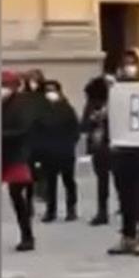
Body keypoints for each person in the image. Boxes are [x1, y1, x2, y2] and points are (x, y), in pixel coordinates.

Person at [107, 48, 139, 255]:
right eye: (126, 62)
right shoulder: (116, 88)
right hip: (120, 149)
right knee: (124, 196)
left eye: (133, 62)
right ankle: (127, 235)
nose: (129, 67)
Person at [37, 80, 80, 223]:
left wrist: (69, 143)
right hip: (48, 152)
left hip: (65, 151)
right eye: (47, 90)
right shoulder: (40, 111)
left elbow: (75, 130)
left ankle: (71, 209)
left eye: (53, 90)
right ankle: (51, 210)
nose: (50, 93)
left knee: (68, 181)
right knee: (50, 183)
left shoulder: (67, 109)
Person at [2, 70, 36, 252]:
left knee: (16, 194)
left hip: (16, 154)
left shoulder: (22, 104)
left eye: (5, 85)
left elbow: (24, 129)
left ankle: (27, 235)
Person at [81, 72, 114, 226]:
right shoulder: (94, 104)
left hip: (106, 145)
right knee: (105, 180)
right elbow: (84, 124)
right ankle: (103, 211)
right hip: (102, 146)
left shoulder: (111, 104)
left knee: (104, 181)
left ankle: (103, 211)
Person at [21, 68, 49, 208]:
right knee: (29, 170)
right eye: (31, 79)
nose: (33, 82)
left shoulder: (46, 95)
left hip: (44, 137)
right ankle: (29, 199)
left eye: (36, 79)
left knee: (43, 167)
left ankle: (43, 192)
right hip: (29, 138)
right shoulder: (23, 96)